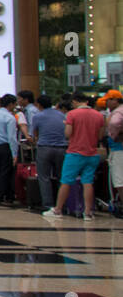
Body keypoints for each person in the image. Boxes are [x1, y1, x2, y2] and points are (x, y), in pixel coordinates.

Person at [44, 92, 106, 222]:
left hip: (75, 153)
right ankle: (88, 212)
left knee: (66, 181)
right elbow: (100, 136)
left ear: (75, 102)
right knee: (88, 182)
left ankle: (58, 209)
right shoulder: (99, 115)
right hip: (92, 154)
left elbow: (67, 134)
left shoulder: (72, 114)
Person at [28, 93, 66, 210]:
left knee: (44, 177)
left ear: (39, 105)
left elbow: (34, 134)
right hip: (62, 148)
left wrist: (35, 141)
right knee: (62, 177)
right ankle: (62, 204)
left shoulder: (38, 116)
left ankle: (48, 204)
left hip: (44, 147)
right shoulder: (62, 115)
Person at [105, 91, 123, 212]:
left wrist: (113, 134)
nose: (106, 103)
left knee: (119, 180)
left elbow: (115, 123)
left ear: (116, 100)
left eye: (109, 100)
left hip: (118, 150)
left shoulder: (118, 112)